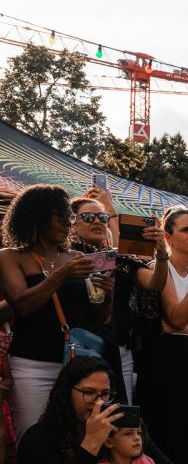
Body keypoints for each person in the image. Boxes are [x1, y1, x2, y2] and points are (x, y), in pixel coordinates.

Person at [18, 357, 188, 464]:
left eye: (105, 394)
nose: (99, 402)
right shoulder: (40, 436)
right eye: (89, 393)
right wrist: (91, 443)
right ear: (67, 393)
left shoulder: (120, 429)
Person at [0, 185, 108, 438]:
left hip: (77, 365)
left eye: (70, 216)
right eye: (61, 215)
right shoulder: (11, 257)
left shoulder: (77, 256)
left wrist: (107, 293)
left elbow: (100, 318)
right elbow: (22, 304)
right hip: (32, 366)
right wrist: (61, 275)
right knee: (32, 436)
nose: (69, 222)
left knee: (78, 437)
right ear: (37, 215)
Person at [68, 188, 171, 403]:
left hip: (116, 347)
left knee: (116, 410)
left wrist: (162, 254)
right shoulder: (63, 258)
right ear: (72, 223)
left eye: (103, 217)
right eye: (89, 217)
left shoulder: (119, 259)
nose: (98, 221)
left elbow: (155, 283)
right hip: (74, 345)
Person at [137, 206, 188, 464]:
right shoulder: (161, 270)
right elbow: (178, 316)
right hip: (166, 361)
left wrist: (177, 327)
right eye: (185, 230)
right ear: (168, 237)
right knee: (170, 430)